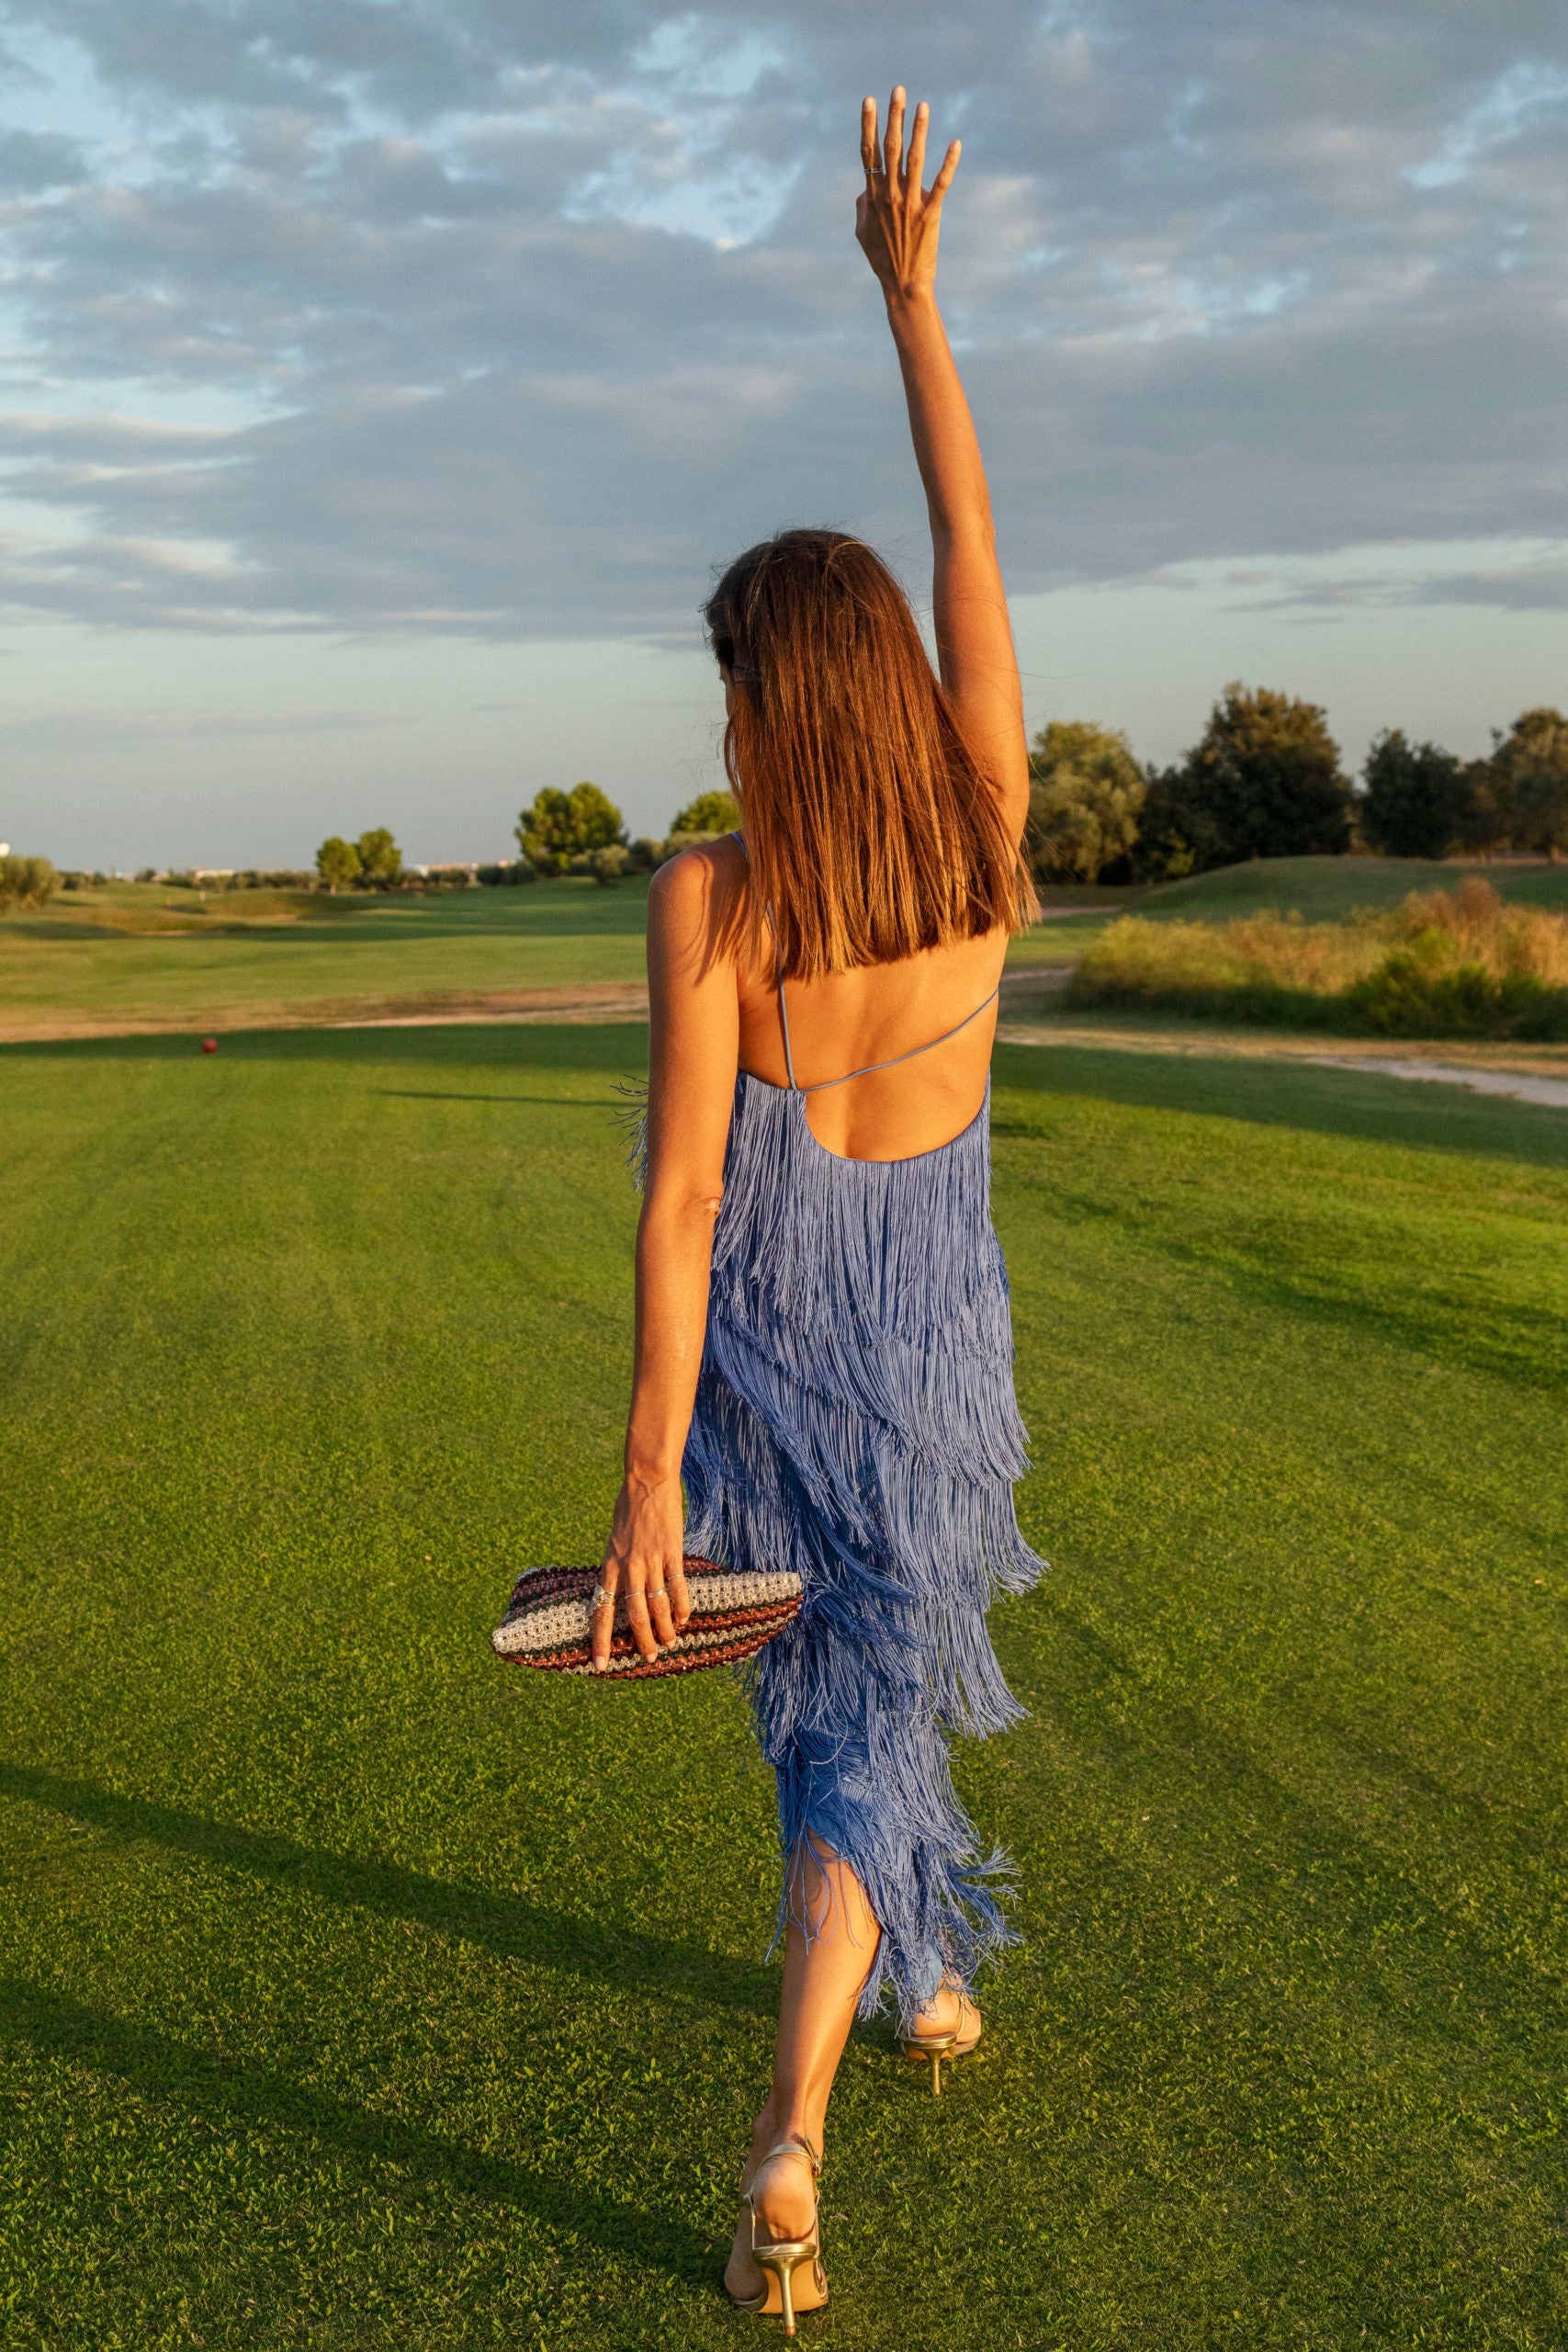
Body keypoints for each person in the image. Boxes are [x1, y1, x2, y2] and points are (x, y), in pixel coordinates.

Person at [592, 85, 1045, 2333]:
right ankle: (856, 2046)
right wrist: (912, 303)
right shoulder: (982, 845)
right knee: (877, 1705)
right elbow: (968, 546)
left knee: (854, 1722)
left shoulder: (710, 903)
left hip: (774, 1376)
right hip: (935, 1371)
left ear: (770, 712)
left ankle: (851, 2054)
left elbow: (682, 1206)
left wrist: (651, 1472)